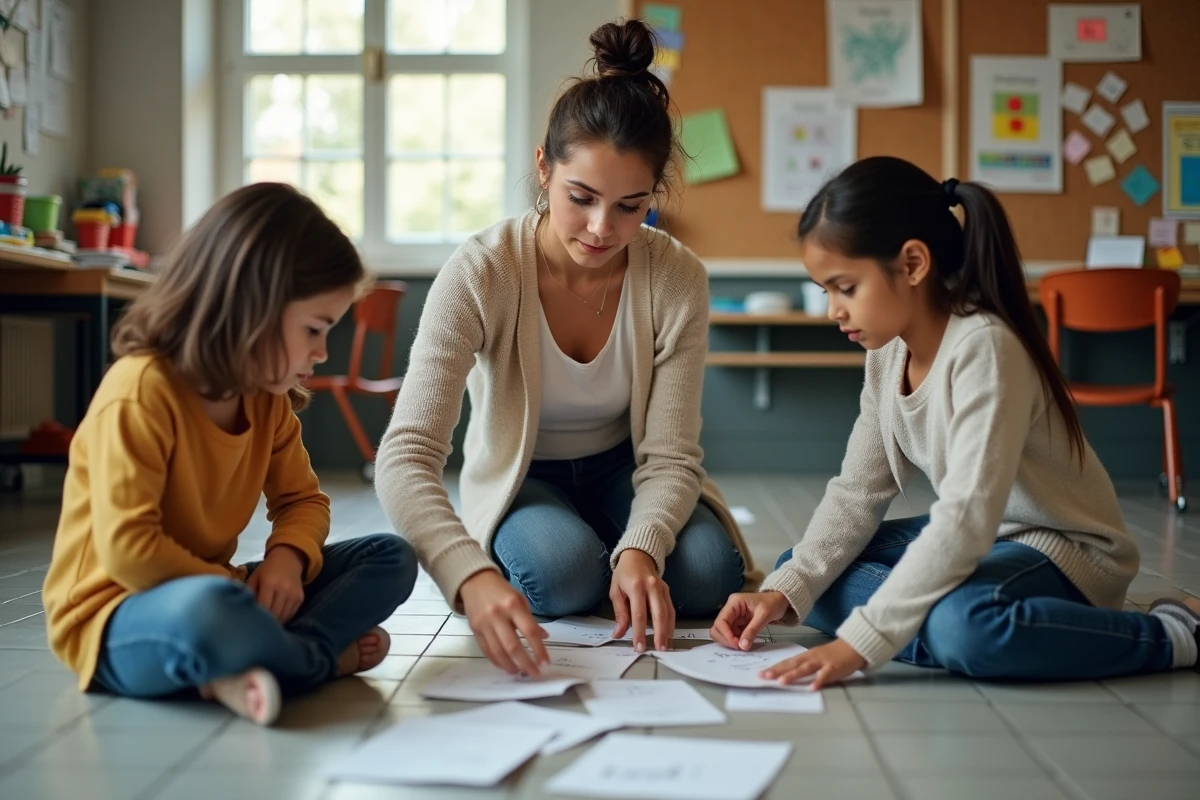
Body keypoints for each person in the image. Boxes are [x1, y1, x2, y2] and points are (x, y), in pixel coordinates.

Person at [711, 156, 1200, 688]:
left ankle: (1168, 632)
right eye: (826, 290)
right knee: (798, 572)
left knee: (963, 625)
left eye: (845, 287)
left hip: (1060, 547)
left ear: (914, 264)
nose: (833, 310)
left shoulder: (984, 348)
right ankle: (943, 619)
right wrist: (787, 587)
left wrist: (859, 643)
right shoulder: (886, 353)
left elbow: (966, 517)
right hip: (987, 539)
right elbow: (857, 491)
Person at [375, 18, 756, 676]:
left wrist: (641, 546)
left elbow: (670, 456)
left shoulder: (677, 277)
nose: (602, 229)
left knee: (706, 572)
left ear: (654, 197)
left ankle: (613, 549)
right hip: (525, 477)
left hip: (625, 469)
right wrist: (469, 576)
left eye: (631, 206)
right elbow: (406, 455)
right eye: (580, 198)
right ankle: (584, 549)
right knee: (560, 573)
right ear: (544, 168)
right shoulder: (481, 271)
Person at [42, 183, 417, 725]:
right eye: (314, 330)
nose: (321, 352)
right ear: (252, 310)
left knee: (390, 556)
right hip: (115, 616)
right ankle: (312, 659)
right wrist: (238, 588)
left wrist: (286, 564)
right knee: (216, 613)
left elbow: (303, 501)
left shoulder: (266, 401)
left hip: (223, 593)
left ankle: (250, 662)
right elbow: (129, 550)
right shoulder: (140, 389)